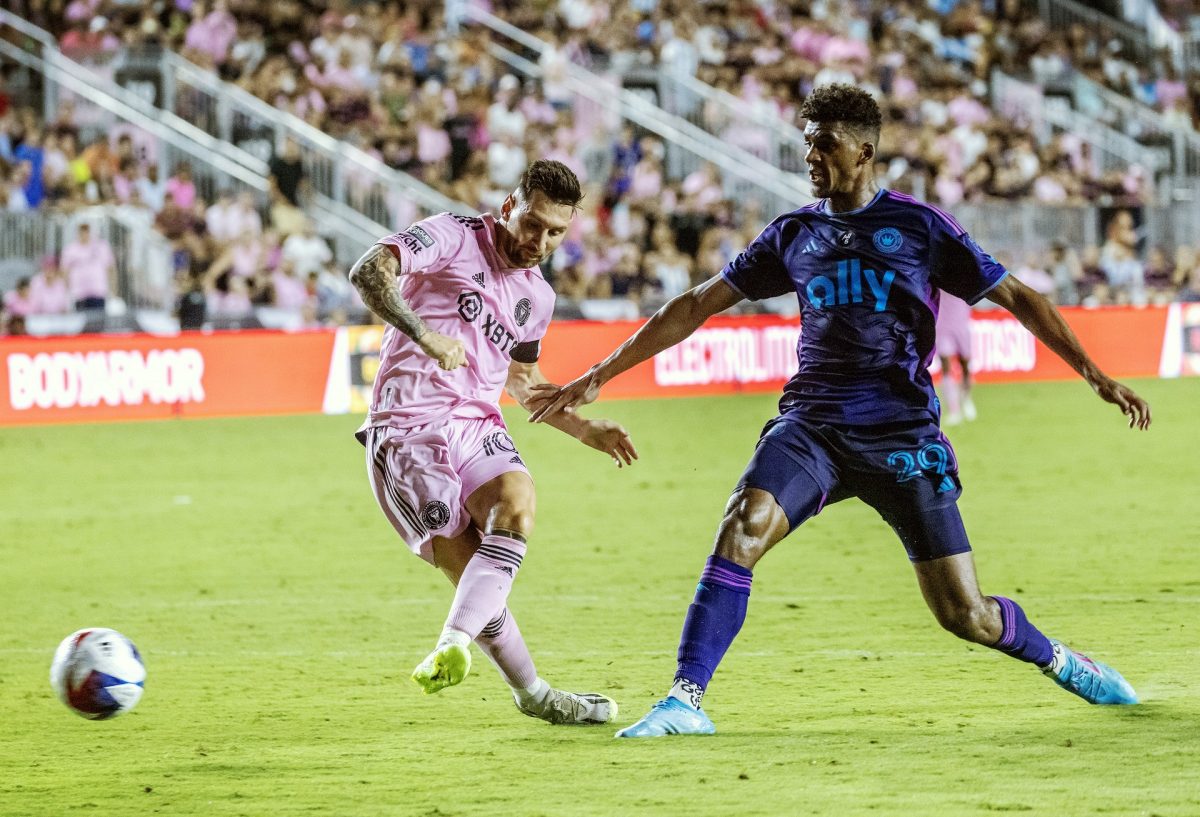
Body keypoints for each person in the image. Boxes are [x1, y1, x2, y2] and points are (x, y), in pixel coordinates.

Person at [529, 85, 1152, 739]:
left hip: (901, 435)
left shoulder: (921, 228)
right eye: (807, 143)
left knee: (965, 615)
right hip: (812, 426)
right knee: (742, 525)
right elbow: (694, 305)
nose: (811, 156)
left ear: (864, 152)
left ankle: (1064, 662)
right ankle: (685, 700)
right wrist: (599, 373)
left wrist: (1094, 373)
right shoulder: (793, 234)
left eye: (824, 143)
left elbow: (1021, 297)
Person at [347, 159, 638, 725]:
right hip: (407, 428)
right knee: (472, 579)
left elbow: (523, 382)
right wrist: (424, 335)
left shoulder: (537, 298)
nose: (540, 242)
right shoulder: (451, 237)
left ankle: (453, 643)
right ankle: (533, 693)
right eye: (533, 224)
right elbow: (368, 271)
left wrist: (584, 428)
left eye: (555, 232)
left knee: (517, 502)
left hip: (477, 425)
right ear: (509, 207)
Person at [936, 291, 975, 425]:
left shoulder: (963, 280)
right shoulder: (936, 279)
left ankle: (966, 398)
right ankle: (954, 410)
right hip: (942, 326)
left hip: (961, 325)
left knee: (965, 367)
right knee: (946, 367)